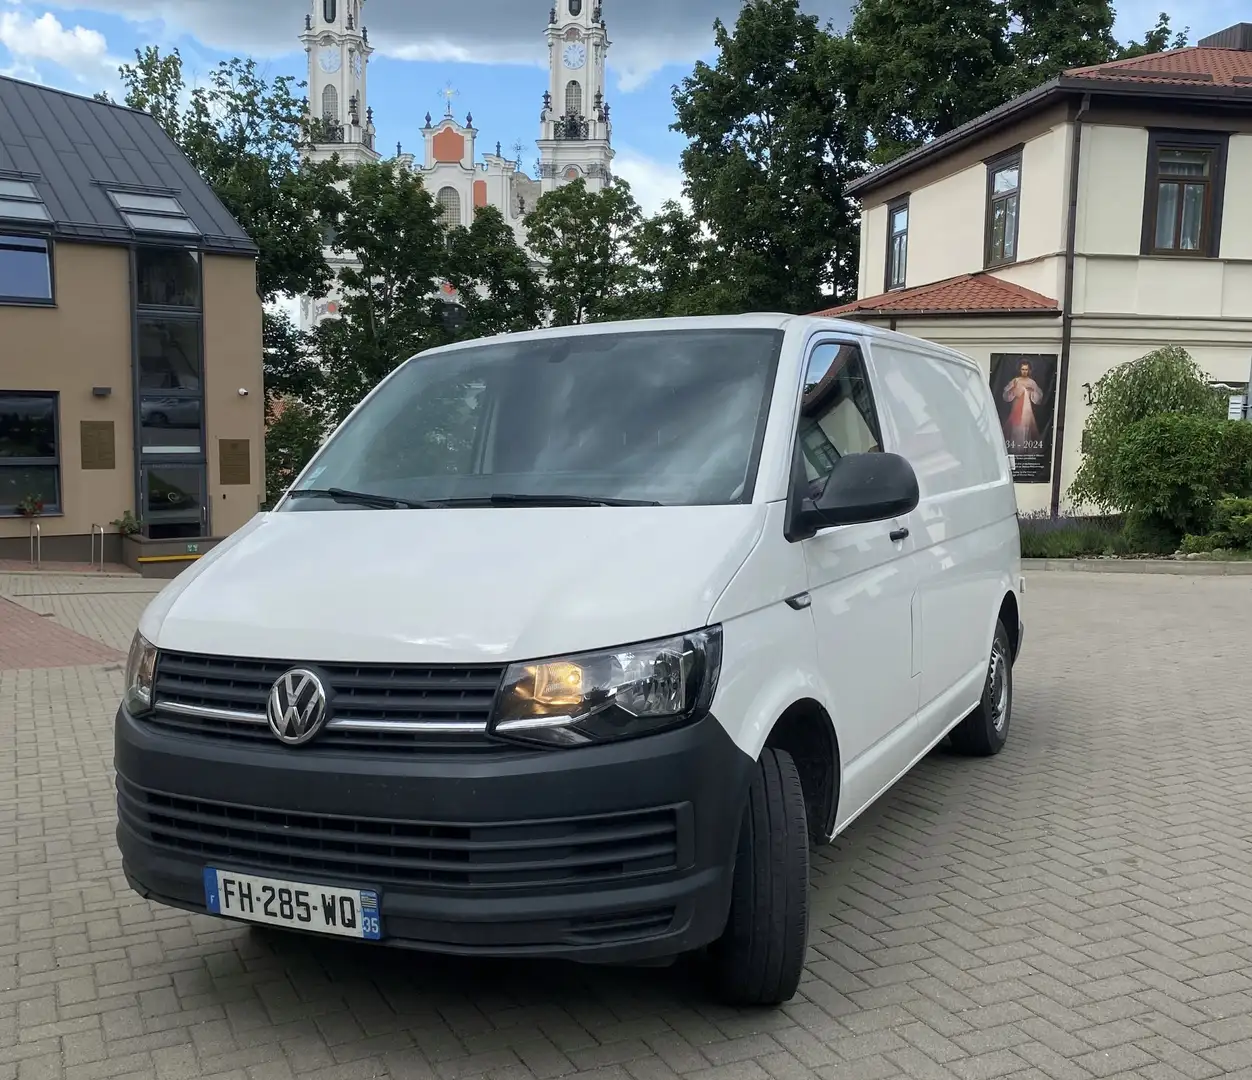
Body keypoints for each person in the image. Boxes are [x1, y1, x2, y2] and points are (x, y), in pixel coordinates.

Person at [1002, 361, 1043, 448]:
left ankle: (1023, 450)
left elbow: (1038, 397)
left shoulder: (1031, 382)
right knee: (1016, 429)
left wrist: (1032, 391)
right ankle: (1015, 449)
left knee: (1026, 428)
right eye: (1023, 369)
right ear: (1020, 370)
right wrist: (1013, 389)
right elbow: (1006, 395)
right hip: (1016, 409)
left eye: (1026, 369)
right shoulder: (1016, 381)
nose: (1024, 371)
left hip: (1027, 411)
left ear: (1029, 370)